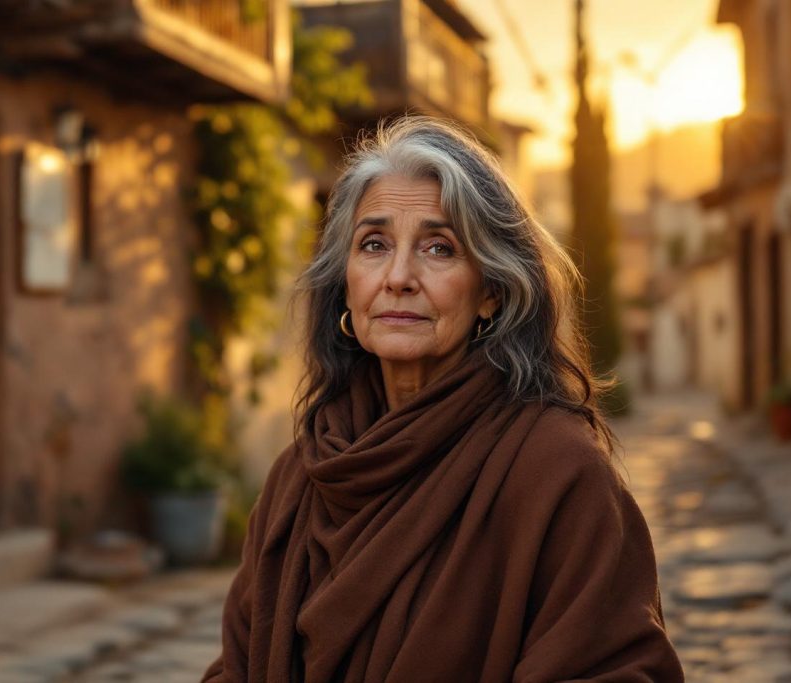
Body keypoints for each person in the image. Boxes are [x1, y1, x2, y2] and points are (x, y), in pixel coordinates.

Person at [202, 116, 683, 682]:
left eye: (439, 247)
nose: (399, 277)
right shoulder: (299, 477)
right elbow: (235, 666)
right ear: (346, 286)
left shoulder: (556, 472)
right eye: (374, 244)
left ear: (491, 291)